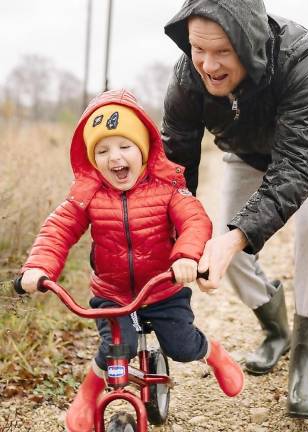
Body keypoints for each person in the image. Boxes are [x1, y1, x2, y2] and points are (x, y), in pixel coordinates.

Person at [162, 0, 308, 420]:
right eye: (198, 49)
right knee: (223, 239)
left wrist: (238, 236)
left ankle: (303, 363)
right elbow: (175, 168)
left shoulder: (301, 57)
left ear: (249, 43)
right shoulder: (185, 80)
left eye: (223, 51)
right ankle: (275, 329)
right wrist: (179, 236)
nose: (208, 65)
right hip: (244, 153)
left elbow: (299, 162)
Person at [19, 89, 244, 432]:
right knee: (116, 348)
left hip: (162, 289)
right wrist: (39, 267)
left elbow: (195, 221)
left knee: (181, 346)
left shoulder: (167, 187)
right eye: (103, 150)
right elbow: (59, 228)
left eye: (125, 146)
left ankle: (212, 352)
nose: (115, 158)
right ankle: (89, 395)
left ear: (143, 148)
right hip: (113, 294)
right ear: (93, 159)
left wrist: (185, 256)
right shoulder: (88, 194)